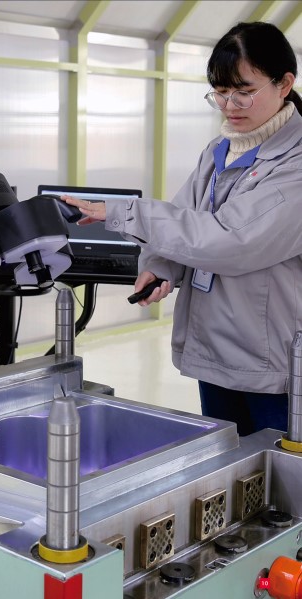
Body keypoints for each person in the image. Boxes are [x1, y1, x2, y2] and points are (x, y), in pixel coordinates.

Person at [61, 21, 302, 437]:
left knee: (279, 474)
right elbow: (185, 214)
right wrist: (162, 266)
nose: (229, 105)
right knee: (229, 468)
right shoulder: (221, 149)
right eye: (220, 92)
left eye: (243, 91)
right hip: (215, 351)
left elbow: (229, 240)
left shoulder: (295, 165)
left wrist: (124, 213)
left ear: (284, 84)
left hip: (272, 366)